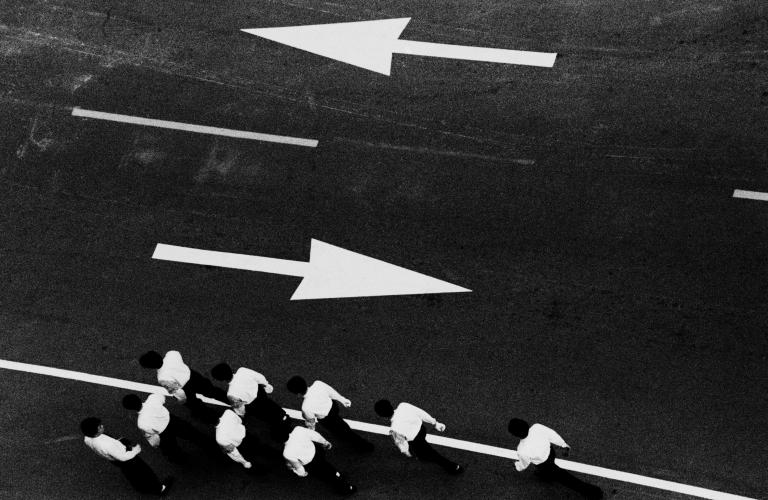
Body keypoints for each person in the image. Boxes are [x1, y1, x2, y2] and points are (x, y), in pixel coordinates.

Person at [508, 418, 603, 499]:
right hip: (550, 453)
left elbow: (524, 464)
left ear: (516, 435)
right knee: (558, 475)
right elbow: (552, 435)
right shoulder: (537, 427)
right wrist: (563, 444)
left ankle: (594, 493)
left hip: (543, 465)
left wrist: (517, 466)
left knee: (569, 480)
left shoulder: (521, 449)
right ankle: (545, 475)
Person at [80, 417, 172, 495]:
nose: (102, 426)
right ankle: (160, 489)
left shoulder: (87, 439)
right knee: (145, 472)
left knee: (131, 474)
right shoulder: (107, 445)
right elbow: (123, 457)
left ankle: (140, 487)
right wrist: (136, 450)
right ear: (96, 432)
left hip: (114, 460)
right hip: (127, 459)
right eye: (100, 426)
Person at [373, 399, 462, 474]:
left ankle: (453, 467)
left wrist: (406, 452)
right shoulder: (403, 406)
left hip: (415, 441)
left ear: (382, 416)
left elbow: (401, 444)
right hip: (422, 430)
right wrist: (434, 423)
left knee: (432, 454)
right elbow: (421, 413)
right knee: (427, 450)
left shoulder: (394, 429)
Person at [286, 376, 373, 452]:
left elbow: (311, 422)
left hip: (327, 419)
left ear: (297, 394)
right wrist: (342, 399)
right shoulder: (318, 384)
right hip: (333, 407)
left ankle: (365, 445)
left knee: (344, 431)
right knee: (341, 426)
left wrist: (311, 432)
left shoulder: (306, 407)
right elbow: (331, 391)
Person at [139, 350, 227, 422]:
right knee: (211, 391)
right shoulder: (171, 354)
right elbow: (177, 354)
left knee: (196, 405)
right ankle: (229, 400)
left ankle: (214, 418)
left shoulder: (162, 377)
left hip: (186, 388)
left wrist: (182, 401)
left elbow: (179, 393)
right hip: (193, 376)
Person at [122, 393, 212, 463]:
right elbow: (162, 398)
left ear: (131, 409)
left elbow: (153, 439)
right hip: (172, 420)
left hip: (164, 433)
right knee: (193, 434)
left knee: (172, 449)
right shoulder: (153, 398)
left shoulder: (141, 423)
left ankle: (182, 459)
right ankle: (209, 445)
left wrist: (156, 445)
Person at [278, 424, 356, 495]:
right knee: (326, 465)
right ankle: (338, 475)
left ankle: (343, 487)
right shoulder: (298, 430)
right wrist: (324, 442)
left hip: (311, 464)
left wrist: (302, 473)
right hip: (317, 452)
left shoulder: (287, 452)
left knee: (325, 475)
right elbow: (314, 435)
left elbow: (298, 467)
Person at [211, 362, 288, 428]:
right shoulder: (242, 371)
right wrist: (266, 385)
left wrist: (241, 415)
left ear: (221, 380)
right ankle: (283, 415)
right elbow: (259, 377)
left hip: (253, 405)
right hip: (260, 393)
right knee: (270, 404)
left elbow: (240, 408)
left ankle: (278, 424)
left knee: (264, 416)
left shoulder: (231, 394)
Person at [215, 408, 280, 471]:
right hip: (244, 434)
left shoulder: (221, 438)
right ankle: (270, 452)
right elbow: (239, 420)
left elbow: (234, 453)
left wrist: (244, 462)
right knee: (257, 444)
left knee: (254, 449)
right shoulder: (228, 414)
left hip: (242, 441)